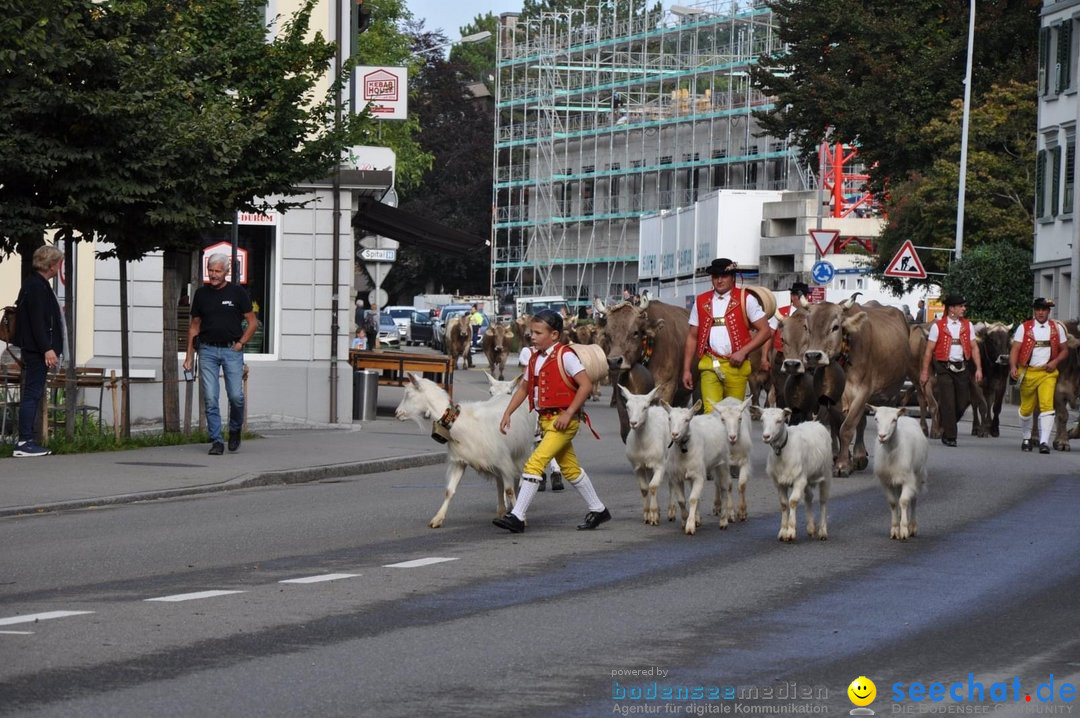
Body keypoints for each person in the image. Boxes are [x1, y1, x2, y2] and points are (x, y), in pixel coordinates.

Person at [495, 310, 609, 533]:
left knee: (534, 463)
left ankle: (517, 516)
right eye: (531, 332)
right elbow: (525, 388)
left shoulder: (565, 356)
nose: (532, 337)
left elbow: (585, 385)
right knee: (570, 469)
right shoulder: (534, 358)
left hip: (564, 421)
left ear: (554, 334)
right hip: (547, 421)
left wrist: (568, 413)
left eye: (538, 333)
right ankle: (598, 509)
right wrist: (508, 411)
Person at [183, 253, 257, 456]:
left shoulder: (237, 293)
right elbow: (194, 326)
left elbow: (252, 322)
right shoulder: (201, 294)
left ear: (226, 271)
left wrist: (241, 343)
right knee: (210, 397)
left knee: (236, 396)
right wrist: (189, 356)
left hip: (231, 350)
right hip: (207, 350)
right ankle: (216, 440)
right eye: (210, 271)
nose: (213, 275)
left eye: (217, 271)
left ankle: (234, 430)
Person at [681, 258, 772, 414]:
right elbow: (692, 337)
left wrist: (743, 352)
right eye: (715, 276)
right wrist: (686, 369)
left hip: (737, 366)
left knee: (733, 416)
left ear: (733, 277)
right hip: (710, 364)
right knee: (711, 413)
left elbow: (765, 330)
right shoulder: (701, 301)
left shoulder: (746, 299)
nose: (719, 280)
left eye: (724, 276)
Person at [11, 245, 65, 457]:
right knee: (32, 394)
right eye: (58, 263)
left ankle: (26, 441)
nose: (59, 267)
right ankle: (24, 442)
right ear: (51, 265)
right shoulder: (36, 286)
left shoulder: (37, 284)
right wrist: (47, 349)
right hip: (37, 350)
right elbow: (37, 322)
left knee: (33, 393)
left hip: (36, 349)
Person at [1009, 297, 1069, 454]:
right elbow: (1015, 349)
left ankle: (1044, 442)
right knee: (1026, 409)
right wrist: (1013, 367)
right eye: (1038, 309)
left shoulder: (1057, 329)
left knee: (1047, 406)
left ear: (1048, 311)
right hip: (1027, 372)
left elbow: (1065, 350)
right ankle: (1026, 437)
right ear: (1034, 311)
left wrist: (1055, 362)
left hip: (1047, 373)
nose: (1040, 312)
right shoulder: (1024, 328)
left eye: (1043, 309)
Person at [920, 294, 982, 447]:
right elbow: (929, 351)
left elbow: (974, 348)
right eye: (961, 306)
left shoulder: (968, 326)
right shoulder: (938, 326)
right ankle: (950, 436)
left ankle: (945, 423)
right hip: (944, 368)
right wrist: (924, 372)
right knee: (948, 401)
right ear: (952, 309)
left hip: (962, 368)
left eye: (963, 306)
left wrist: (979, 368)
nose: (964, 309)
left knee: (963, 402)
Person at [517, 340, 564, 492]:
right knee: (542, 438)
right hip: (538, 402)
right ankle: (549, 473)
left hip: (545, 402)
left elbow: (525, 379)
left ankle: (550, 473)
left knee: (544, 438)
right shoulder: (530, 352)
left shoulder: (557, 353)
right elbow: (527, 378)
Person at [761, 281, 809, 373]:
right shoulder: (781, 312)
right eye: (796, 295)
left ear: (806, 297)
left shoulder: (812, 314)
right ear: (792, 296)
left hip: (805, 357)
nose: (799, 298)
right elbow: (768, 335)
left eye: (803, 295)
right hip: (781, 355)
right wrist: (764, 358)